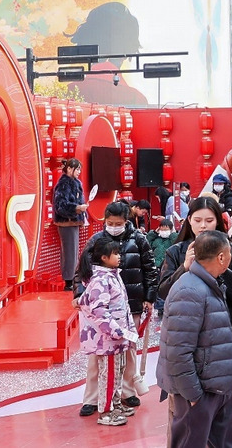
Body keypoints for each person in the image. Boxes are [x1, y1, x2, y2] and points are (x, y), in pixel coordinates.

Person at [158, 230, 232, 448]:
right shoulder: (189, 290)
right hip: (200, 391)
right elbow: (178, 352)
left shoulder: (210, 284)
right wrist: (194, 395)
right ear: (222, 257)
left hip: (218, 387)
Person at [74, 201, 157, 415]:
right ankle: (92, 397)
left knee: (128, 350)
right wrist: (78, 294)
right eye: (109, 223)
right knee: (98, 353)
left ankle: (126, 393)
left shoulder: (139, 239)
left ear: (126, 221)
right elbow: (81, 269)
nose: (113, 227)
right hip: (101, 308)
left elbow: (150, 269)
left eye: (117, 223)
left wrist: (149, 297)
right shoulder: (97, 240)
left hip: (132, 304)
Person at [157, 197, 232, 352]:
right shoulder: (176, 251)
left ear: (217, 221)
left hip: (224, 327)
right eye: (197, 220)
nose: (203, 226)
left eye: (209, 220)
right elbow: (163, 292)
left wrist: (221, 267)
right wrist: (184, 267)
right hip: (186, 326)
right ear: (189, 220)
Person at [77, 239, 136, 427]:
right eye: (115, 254)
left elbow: (122, 308)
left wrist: (127, 331)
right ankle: (106, 412)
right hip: (108, 339)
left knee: (117, 372)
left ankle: (115, 404)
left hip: (117, 338)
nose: (119, 257)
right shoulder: (101, 280)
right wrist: (116, 331)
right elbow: (99, 311)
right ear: (104, 257)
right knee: (109, 374)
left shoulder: (112, 276)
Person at [53, 158, 88, 290]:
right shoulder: (63, 184)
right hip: (66, 222)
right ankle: (69, 281)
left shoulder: (76, 183)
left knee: (73, 251)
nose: (79, 172)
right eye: (77, 169)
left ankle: (72, 278)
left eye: (79, 169)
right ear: (69, 169)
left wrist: (82, 214)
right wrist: (77, 209)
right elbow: (60, 206)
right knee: (69, 252)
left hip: (73, 222)